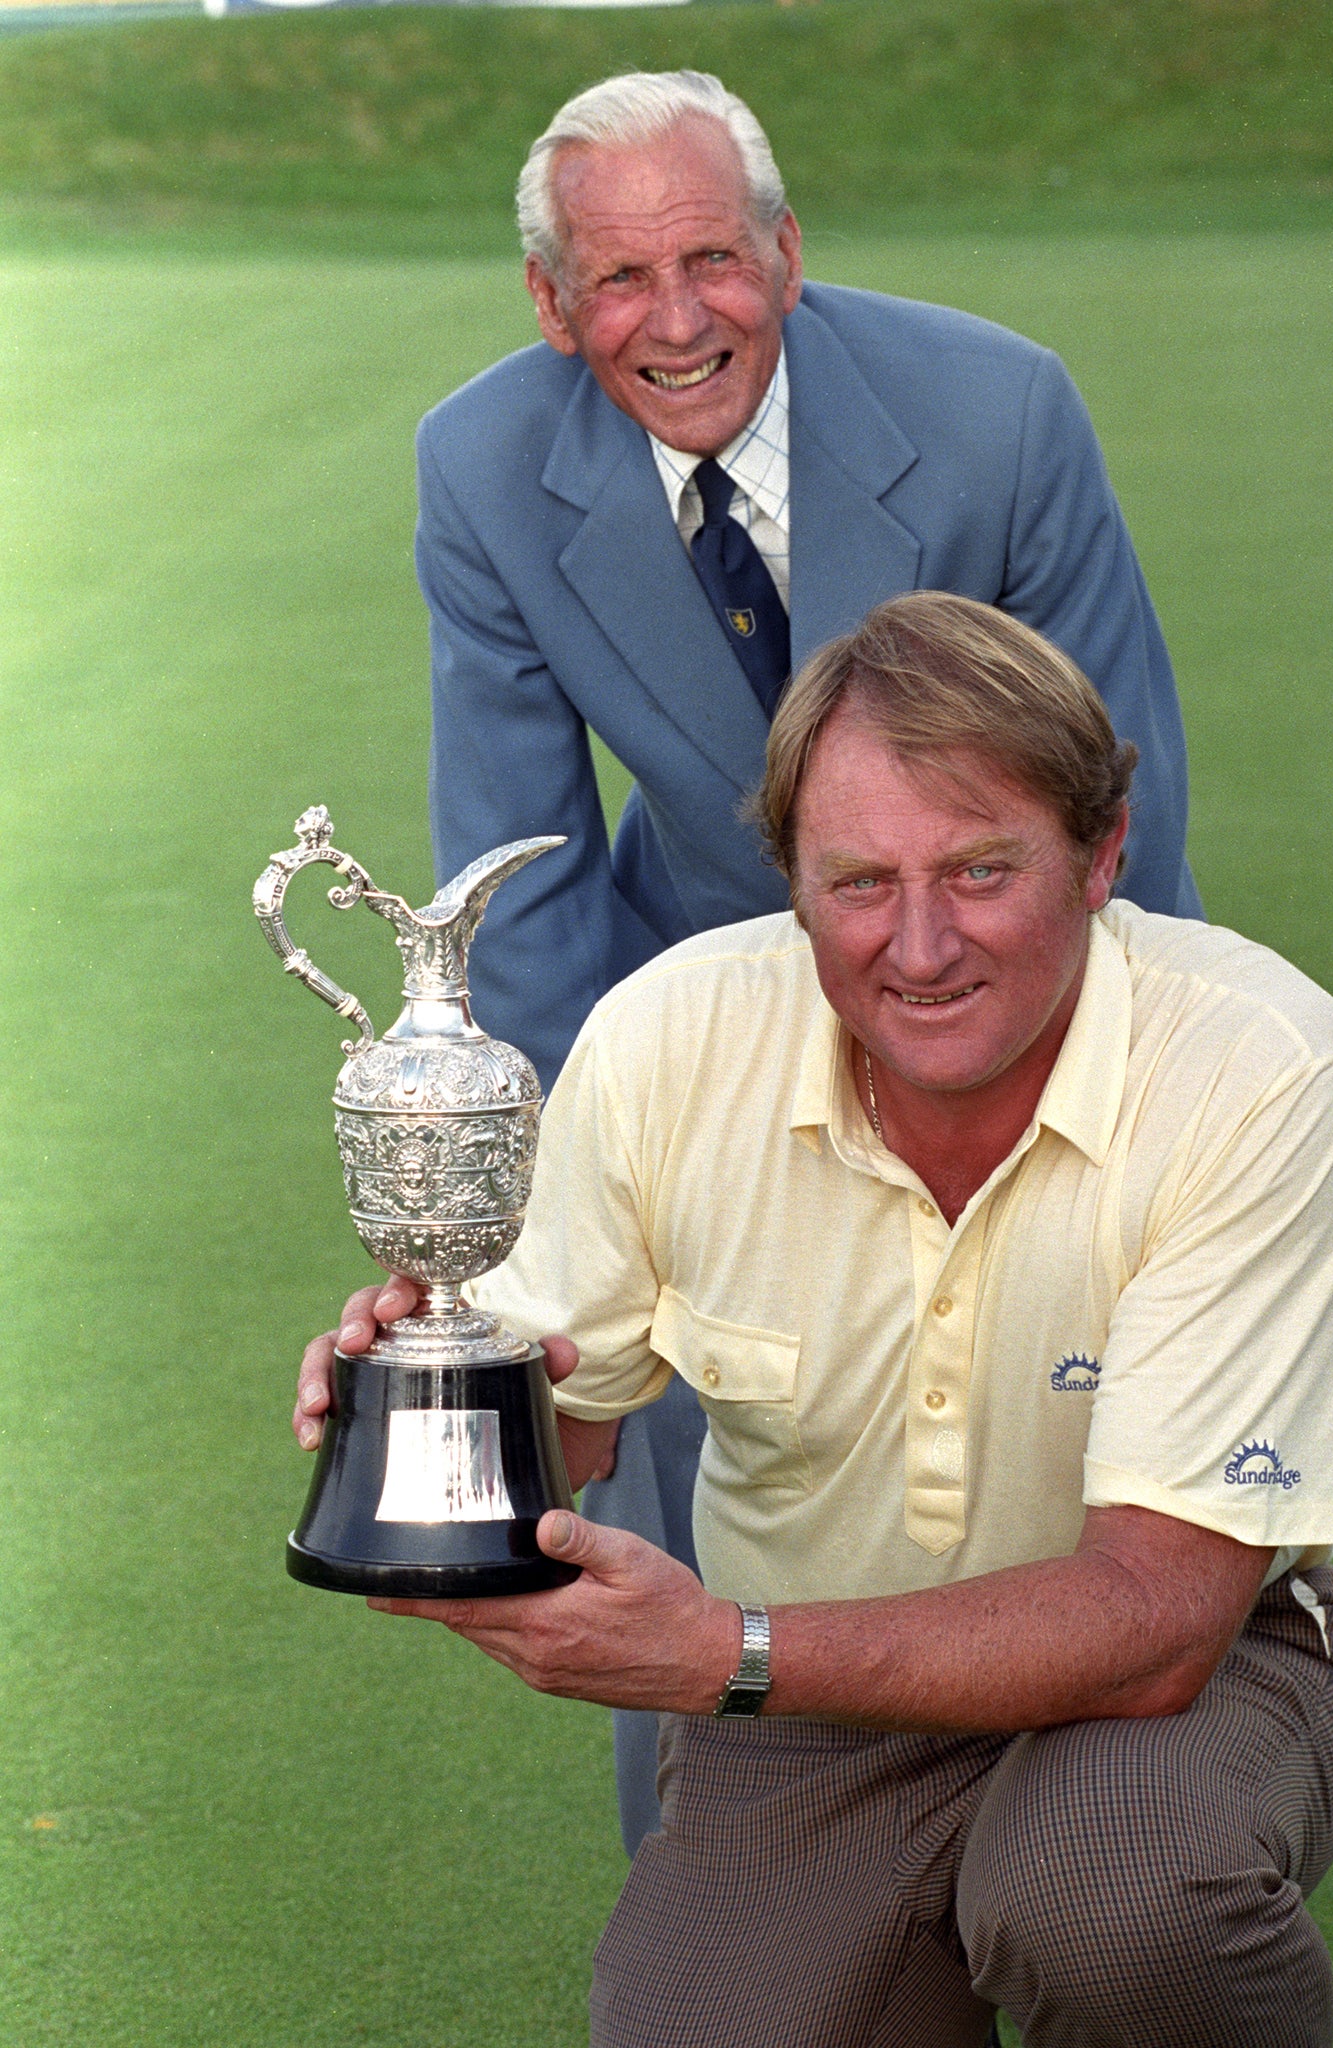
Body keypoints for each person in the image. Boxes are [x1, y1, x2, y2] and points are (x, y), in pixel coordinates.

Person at [298, 594, 1333, 2048]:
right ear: (792, 886)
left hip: (1190, 1682)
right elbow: (566, 1429)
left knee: (1112, 1897)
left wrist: (725, 1652)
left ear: (1103, 851)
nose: (923, 944)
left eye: (983, 869)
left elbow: (1159, 1624)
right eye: (860, 882)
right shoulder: (667, 1037)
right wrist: (428, 1417)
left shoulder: (1267, 1071)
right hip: (812, 1712)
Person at [416, 66, 1204, 1848]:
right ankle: (721, 1880)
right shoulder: (477, 465)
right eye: (619, 280)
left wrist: (1128, 1150)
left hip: (1004, 1009)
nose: (678, 320)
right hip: (703, 1023)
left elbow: (1116, 825)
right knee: (711, 1486)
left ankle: (1078, 1841)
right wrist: (599, 1219)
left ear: (786, 246)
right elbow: (516, 879)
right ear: (552, 304)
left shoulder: (1000, 414)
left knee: (1036, 1466)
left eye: (714, 258)